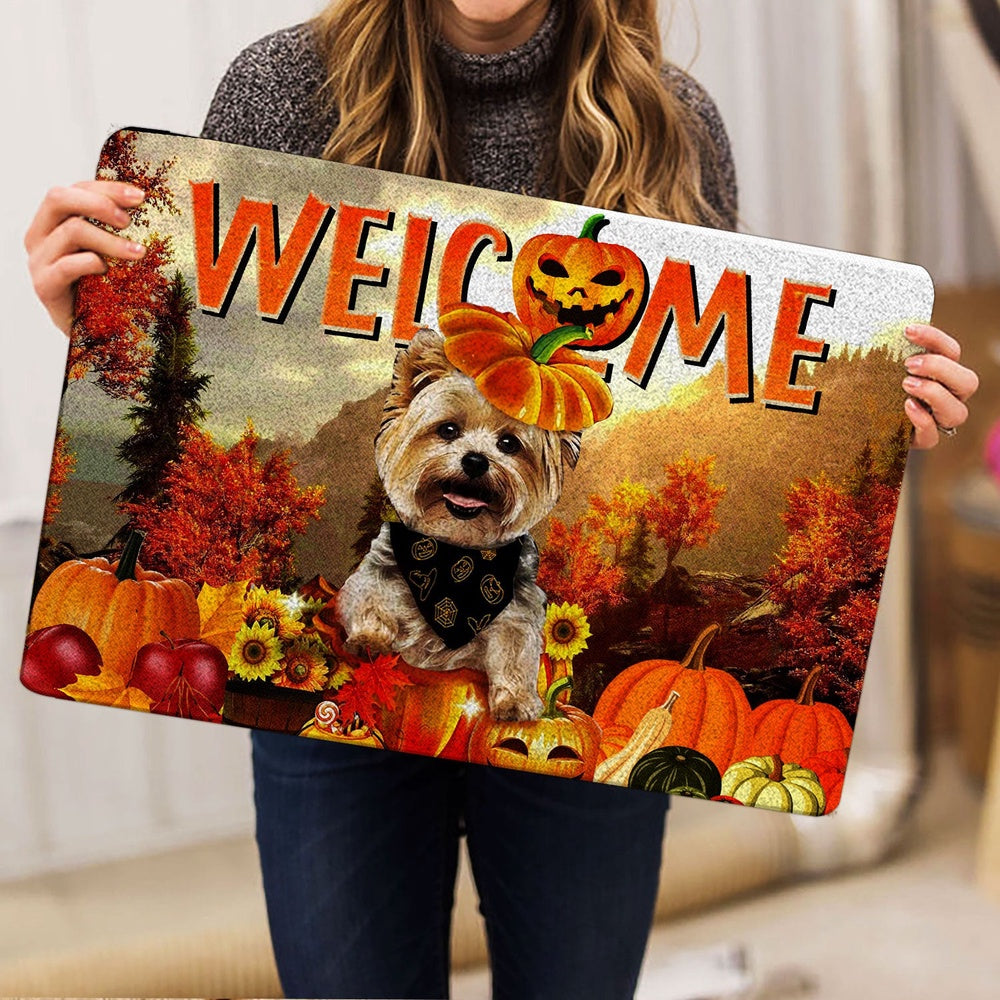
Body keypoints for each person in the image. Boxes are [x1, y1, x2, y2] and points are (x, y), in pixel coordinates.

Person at [23, 2, 981, 998]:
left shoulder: (671, 120)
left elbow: (730, 401)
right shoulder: (279, 89)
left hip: (568, 707)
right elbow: (208, 354)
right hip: (341, 714)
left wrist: (858, 422)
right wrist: (103, 325)